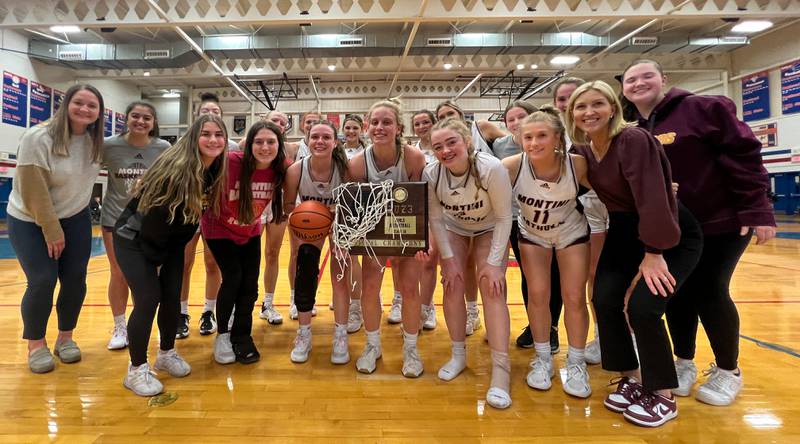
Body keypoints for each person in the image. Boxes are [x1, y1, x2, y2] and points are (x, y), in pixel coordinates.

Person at [621, 59, 776, 405]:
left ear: (664, 79)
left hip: (721, 222)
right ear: (624, 89)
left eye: (647, 75)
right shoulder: (637, 127)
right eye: (631, 79)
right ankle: (684, 361)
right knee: (677, 292)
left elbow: (745, 155)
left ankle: (727, 370)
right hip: (676, 229)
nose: (639, 83)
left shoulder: (704, 108)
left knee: (710, 289)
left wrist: (758, 208)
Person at [566, 81, 702, 427]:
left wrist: (654, 252)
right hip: (625, 228)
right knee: (605, 299)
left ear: (613, 108)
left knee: (643, 308)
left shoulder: (633, 140)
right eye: (580, 107)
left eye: (597, 104)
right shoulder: (582, 149)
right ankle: (633, 377)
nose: (589, 112)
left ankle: (663, 395)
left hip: (668, 231)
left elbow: (655, 198)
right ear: (572, 115)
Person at [113, 114, 227, 396]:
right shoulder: (177, 168)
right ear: (194, 137)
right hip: (136, 239)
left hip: (170, 242)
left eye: (218, 135)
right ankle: (136, 370)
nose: (213, 140)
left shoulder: (213, 169)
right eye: (206, 134)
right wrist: (157, 259)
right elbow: (153, 218)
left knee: (172, 295)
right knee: (149, 297)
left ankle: (166, 353)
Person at [8, 84, 105, 374]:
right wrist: (51, 230)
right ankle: (36, 345)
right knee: (42, 280)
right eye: (79, 102)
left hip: (74, 217)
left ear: (99, 112)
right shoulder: (38, 137)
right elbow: (33, 190)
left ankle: (66, 338)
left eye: (92, 105)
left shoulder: (95, 141)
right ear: (66, 104)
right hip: (30, 218)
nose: (85, 109)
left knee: (75, 279)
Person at [420, 118, 513, 408]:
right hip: (454, 227)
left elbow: (503, 217)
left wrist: (496, 262)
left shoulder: (490, 168)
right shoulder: (432, 173)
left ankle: (501, 369)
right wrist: (447, 260)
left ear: (467, 141)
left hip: (489, 226)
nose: (445, 150)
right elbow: (435, 217)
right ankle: (458, 354)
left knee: (492, 287)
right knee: (452, 284)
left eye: (451, 143)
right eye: (438, 146)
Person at [503, 106, 591, 398]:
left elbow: (613, 190)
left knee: (574, 296)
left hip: (571, 232)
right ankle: (542, 358)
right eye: (528, 137)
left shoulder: (577, 165)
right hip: (532, 234)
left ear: (558, 138)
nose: (534, 143)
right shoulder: (512, 166)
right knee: (538, 294)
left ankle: (577, 362)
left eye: (542, 136)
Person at [347, 98, 427, 376]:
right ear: (367, 127)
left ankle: (411, 349)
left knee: (409, 289)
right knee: (370, 288)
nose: (380, 127)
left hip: (407, 231)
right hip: (374, 234)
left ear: (399, 127)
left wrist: (420, 242)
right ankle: (372, 345)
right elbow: (355, 211)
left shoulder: (414, 158)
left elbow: (421, 204)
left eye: (387, 122)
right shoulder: (357, 164)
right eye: (375, 122)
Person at [203, 120, 284, 365]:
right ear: (248, 145)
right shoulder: (230, 162)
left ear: (279, 146)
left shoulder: (281, 169)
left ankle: (242, 335)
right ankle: (223, 336)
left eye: (271, 141)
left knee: (250, 285)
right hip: (218, 229)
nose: (265, 147)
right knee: (234, 277)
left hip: (249, 232)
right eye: (258, 142)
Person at [101, 101, 170, 350]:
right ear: (126, 118)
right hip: (114, 220)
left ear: (154, 123)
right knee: (118, 272)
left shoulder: (163, 148)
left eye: (147, 118)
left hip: (148, 222)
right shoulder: (109, 146)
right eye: (136, 116)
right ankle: (120, 327)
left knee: (151, 278)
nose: (141, 121)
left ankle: (148, 327)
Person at [283, 121, 352, 364]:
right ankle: (303, 334)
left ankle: (341, 334)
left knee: (341, 274)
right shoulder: (295, 170)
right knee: (305, 271)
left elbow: (354, 204)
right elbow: (288, 206)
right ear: (307, 139)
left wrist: (333, 214)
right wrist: (304, 214)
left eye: (326, 137)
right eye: (315, 137)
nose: (320, 141)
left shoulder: (346, 170)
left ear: (335, 142)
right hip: (310, 224)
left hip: (340, 221)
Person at [553, 77, 604, 365]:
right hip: (583, 210)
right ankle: (600, 335)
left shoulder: (609, 133)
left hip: (615, 206)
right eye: (564, 99)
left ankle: (627, 336)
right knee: (593, 275)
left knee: (625, 277)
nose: (569, 103)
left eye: (575, 97)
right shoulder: (556, 136)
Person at [178, 92, 232, 338]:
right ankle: (181, 312)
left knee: (213, 264)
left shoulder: (228, 149)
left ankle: (209, 311)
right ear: (196, 118)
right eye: (205, 112)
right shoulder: (182, 148)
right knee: (184, 265)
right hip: (187, 215)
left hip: (215, 215)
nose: (210, 115)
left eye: (216, 113)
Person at [258, 110, 294, 326]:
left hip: (277, 202)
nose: (279, 124)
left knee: (273, 254)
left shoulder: (290, 148)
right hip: (255, 201)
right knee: (248, 256)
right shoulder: (249, 142)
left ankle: (268, 304)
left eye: (283, 122)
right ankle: (237, 305)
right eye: (275, 120)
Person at [337, 114, 367, 333]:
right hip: (339, 208)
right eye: (347, 128)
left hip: (364, 209)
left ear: (361, 129)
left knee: (358, 258)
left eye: (354, 128)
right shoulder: (335, 151)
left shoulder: (368, 152)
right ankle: (344, 298)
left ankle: (357, 305)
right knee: (342, 258)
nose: (350, 131)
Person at [411, 109, 439, 330]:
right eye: (417, 123)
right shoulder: (411, 152)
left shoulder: (443, 147)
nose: (422, 126)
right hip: (418, 211)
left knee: (430, 261)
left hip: (442, 211)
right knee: (413, 262)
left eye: (426, 122)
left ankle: (427, 307)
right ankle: (406, 302)